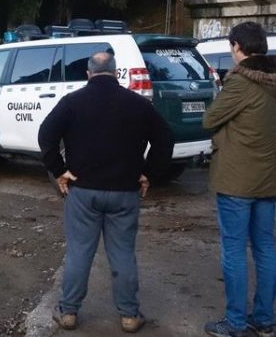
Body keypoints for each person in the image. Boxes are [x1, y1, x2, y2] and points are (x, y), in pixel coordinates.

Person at [38, 51, 173, 333]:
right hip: (125, 192)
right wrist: (149, 173)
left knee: (79, 252)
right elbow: (165, 140)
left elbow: (46, 135)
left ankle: (68, 312)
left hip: (83, 191)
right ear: (115, 73)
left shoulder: (72, 102)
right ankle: (129, 316)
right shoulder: (138, 104)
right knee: (122, 253)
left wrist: (59, 170)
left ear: (88, 73)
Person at [202, 21, 276, 337]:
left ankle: (235, 323)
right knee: (266, 248)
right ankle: (265, 320)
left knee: (233, 250)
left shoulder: (241, 82)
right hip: (269, 179)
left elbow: (209, 119)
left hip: (236, 180)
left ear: (236, 47)